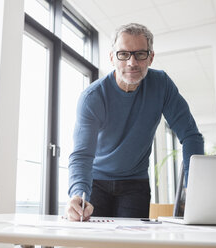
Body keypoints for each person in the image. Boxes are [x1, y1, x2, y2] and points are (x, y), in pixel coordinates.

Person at [65, 23, 204, 221]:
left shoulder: (161, 85)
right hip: (95, 181)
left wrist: (193, 187)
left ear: (151, 57)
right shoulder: (93, 97)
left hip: (135, 182)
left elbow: (191, 136)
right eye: (123, 54)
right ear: (112, 57)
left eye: (140, 54)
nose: (132, 62)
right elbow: (82, 154)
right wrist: (78, 193)